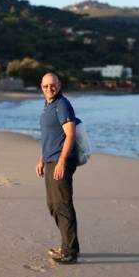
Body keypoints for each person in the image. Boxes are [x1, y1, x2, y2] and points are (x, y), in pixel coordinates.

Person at [35, 73, 80, 265]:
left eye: (52, 85)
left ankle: (70, 252)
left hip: (61, 161)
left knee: (62, 205)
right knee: (53, 205)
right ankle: (66, 245)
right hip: (50, 160)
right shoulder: (48, 104)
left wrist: (61, 161)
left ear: (59, 85)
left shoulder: (62, 104)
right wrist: (42, 159)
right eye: (45, 86)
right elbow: (50, 137)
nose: (49, 89)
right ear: (41, 87)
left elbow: (70, 134)